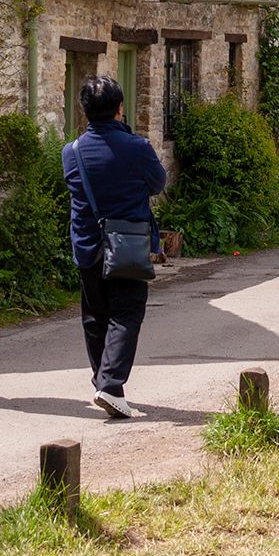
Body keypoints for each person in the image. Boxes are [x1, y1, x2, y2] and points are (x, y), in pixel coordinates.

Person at [62, 74, 165, 420]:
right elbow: (157, 183)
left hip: (87, 244)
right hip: (128, 243)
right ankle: (109, 384)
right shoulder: (137, 148)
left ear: (85, 112)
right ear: (120, 109)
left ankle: (107, 386)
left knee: (95, 316)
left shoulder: (71, 153)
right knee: (127, 313)